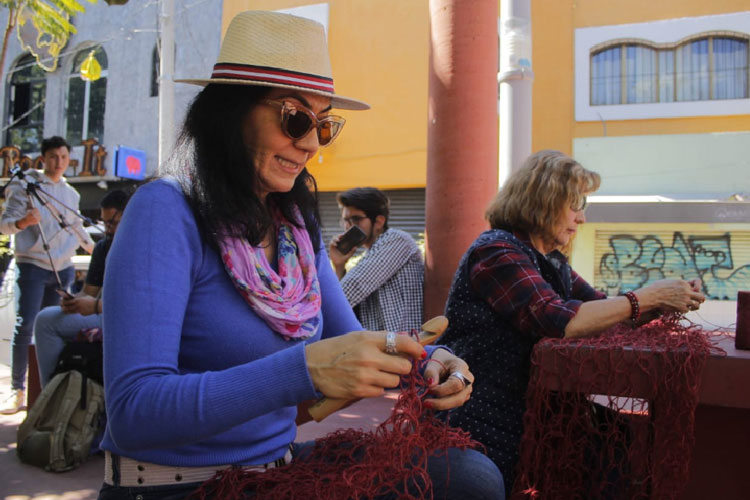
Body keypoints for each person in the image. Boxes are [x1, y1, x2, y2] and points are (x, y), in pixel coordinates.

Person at [98, 11, 503, 500]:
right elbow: (134, 412)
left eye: (324, 125)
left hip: (274, 469)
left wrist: (429, 361)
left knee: (470, 476)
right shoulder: (164, 210)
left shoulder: (293, 225)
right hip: (178, 486)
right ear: (231, 114)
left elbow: (350, 340)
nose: (311, 144)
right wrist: (304, 370)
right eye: (295, 119)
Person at [439, 150, 705, 496]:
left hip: (528, 413)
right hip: (480, 419)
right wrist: (649, 298)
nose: (581, 218)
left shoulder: (549, 260)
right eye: (575, 204)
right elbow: (557, 319)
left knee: (614, 438)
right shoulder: (496, 252)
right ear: (544, 201)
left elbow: (603, 310)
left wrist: (668, 300)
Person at [0, 136, 95, 414]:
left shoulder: (70, 194)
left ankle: (48, 389)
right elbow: (6, 226)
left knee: (53, 327)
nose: (59, 162)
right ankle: (17, 390)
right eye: (54, 157)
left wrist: (100, 251)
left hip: (61, 268)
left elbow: (78, 230)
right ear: (44, 158)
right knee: (25, 325)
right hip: (31, 266)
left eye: (64, 157)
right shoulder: (26, 185)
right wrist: (23, 222)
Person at [33, 189, 129, 387]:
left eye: (113, 222)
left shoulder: (143, 247)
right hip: (104, 312)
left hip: (127, 318)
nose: (107, 229)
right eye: (105, 222)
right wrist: (74, 301)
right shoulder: (104, 247)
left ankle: (52, 393)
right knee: (46, 318)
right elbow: (88, 292)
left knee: (45, 322)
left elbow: (136, 305)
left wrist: (95, 306)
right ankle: (54, 392)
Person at [329, 187, 424, 332]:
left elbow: (347, 293)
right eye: (346, 220)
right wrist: (339, 265)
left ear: (379, 222)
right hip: (383, 346)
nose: (348, 226)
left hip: (403, 347)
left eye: (356, 219)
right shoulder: (370, 255)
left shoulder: (396, 240)